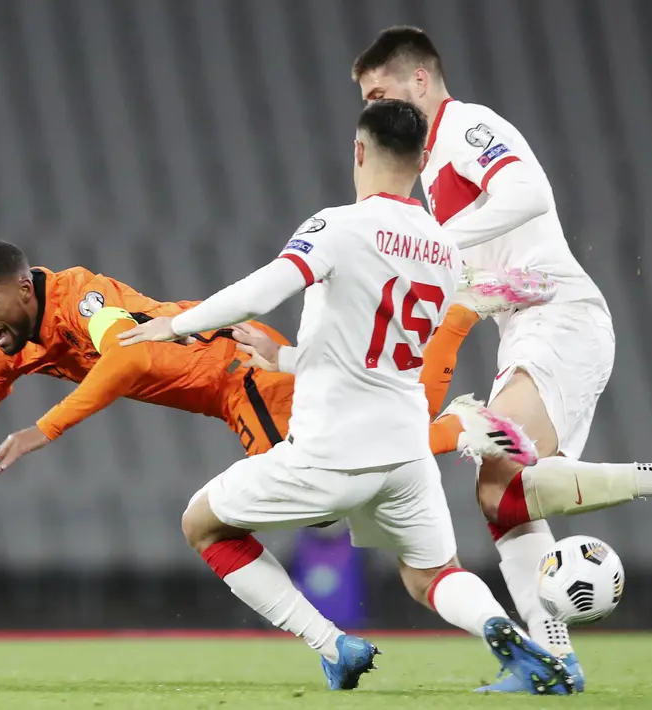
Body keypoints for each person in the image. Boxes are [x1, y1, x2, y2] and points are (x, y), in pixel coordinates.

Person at [351, 26, 652, 691]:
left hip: (557, 315)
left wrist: (427, 239)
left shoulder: (467, 127)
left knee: (500, 480)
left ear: (419, 82)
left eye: (379, 93)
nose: (371, 110)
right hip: (526, 324)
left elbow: (528, 195)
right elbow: (463, 278)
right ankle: (556, 661)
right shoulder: (428, 166)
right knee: (502, 499)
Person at [117, 99, 576, 695]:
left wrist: (174, 326)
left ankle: (332, 645)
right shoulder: (442, 246)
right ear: (422, 160)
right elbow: (370, 347)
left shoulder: (338, 225)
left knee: (204, 525)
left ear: (359, 152)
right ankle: (504, 633)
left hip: (331, 450)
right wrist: (284, 359)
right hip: (405, 451)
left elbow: (265, 289)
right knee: (432, 573)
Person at [0, 238, 541, 562]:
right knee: (358, 462)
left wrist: (44, 430)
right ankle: (461, 345)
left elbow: (129, 356)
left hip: (237, 368)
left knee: (327, 489)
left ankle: (464, 408)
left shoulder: (84, 297)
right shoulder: (8, 348)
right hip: (229, 387)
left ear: (23, 289)